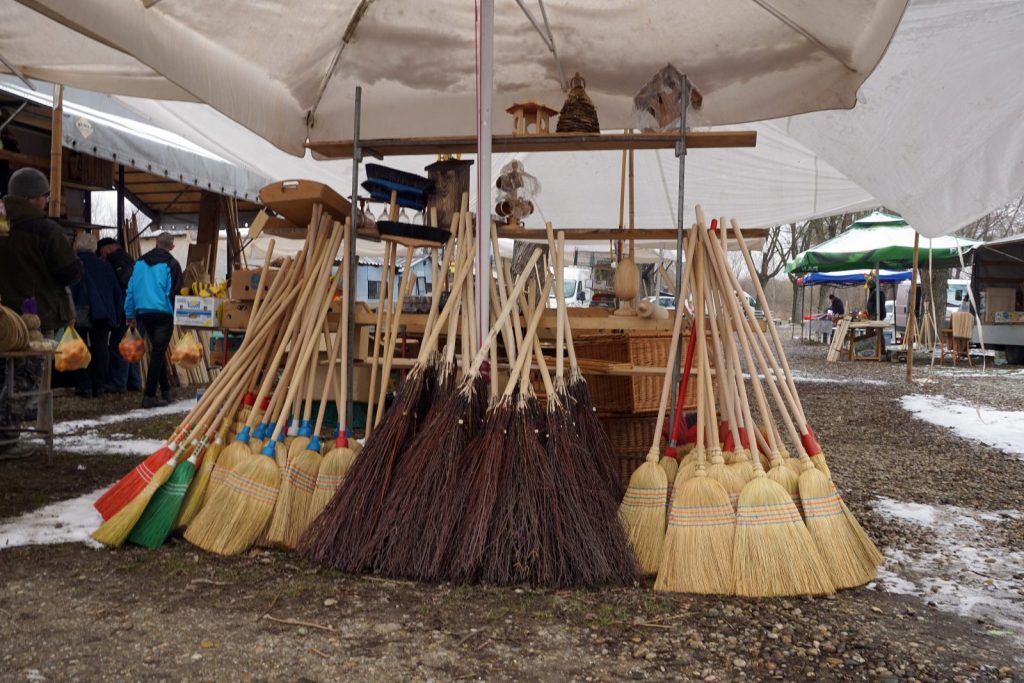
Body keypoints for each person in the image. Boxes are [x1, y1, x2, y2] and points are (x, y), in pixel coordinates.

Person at [0, 168, 82, 451]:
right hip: (32, 318)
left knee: (3, 376)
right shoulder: (44, 229)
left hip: (3, 315)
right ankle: (6, 439)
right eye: (45, 195)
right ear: (34, 197)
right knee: (25, 379)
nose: (47, 201)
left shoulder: (3, 223)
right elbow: (69, 271)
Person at [125, 232, 181, 408]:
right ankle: (149, 396)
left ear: (156, 242)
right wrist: (177, 315)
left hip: (144, 313)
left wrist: (130, 314)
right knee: (158, 352)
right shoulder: (172, 264)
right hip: (163, 313)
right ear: (172, 247)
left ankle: (165, 391)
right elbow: (174, 293)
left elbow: (131, 290)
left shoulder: (139, 263)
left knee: (158, 350)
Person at [70, 231, 123, 398]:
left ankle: (84, 385)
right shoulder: (105, 265)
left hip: (80, 311)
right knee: (101, 348)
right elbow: (116, 291)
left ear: (77, 246)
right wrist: (117, 314)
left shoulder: (74, 264)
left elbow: (69, 290)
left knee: (79, 347)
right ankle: (99, 385)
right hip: (103, 314)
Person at [97, 237, 141, 392]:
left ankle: (118, 382)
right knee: (131, 344)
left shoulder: (116, 260)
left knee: (118, 344)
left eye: (101, 251)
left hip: (126, 309)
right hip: (136, 307)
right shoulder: (129, 259)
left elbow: (123, 284)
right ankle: (134, 382)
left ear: (108, 248)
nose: (101, 255)